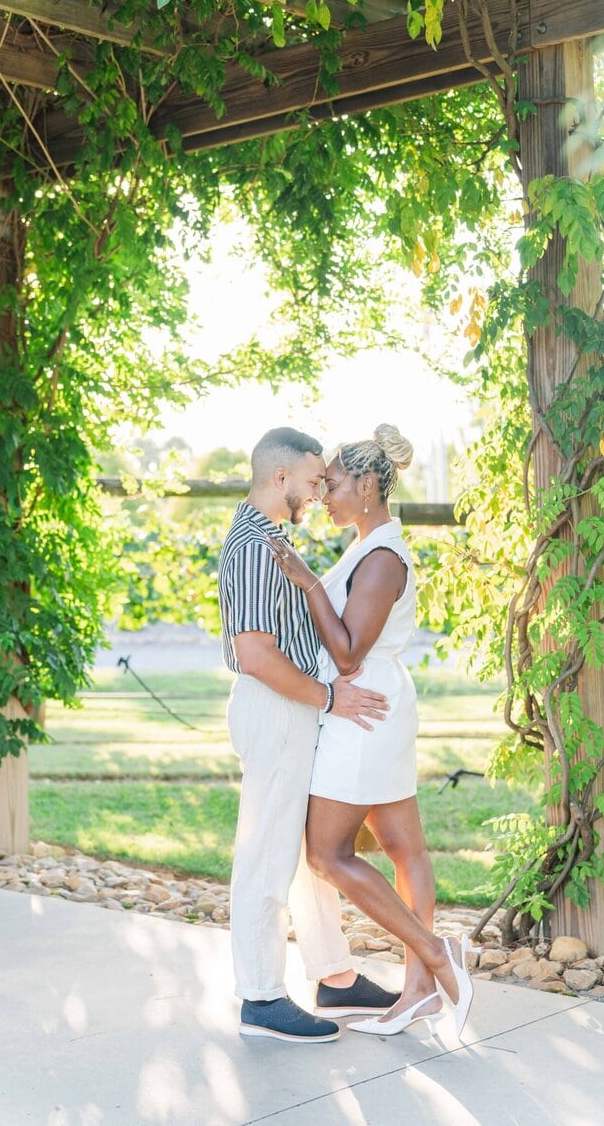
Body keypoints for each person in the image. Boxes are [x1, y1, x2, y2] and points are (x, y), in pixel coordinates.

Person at [268, 424, 478, 1039]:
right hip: (376, 711)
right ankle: (417, 991)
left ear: (365, 485)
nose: (322, 496)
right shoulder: (367, 547)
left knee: (327, 854)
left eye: (331, 485)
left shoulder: (383, 557)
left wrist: (307, 582)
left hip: (361, 713)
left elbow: (351, 652)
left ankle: (437, 957)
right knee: (402, 848)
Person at [219, 426, 398, 1044]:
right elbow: (254, 656)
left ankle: (334, 977)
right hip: (274, 711)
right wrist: (329, 696)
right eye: (314, 478)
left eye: (328, 480)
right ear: (280, 478)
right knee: (267, 855)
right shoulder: (251, 546)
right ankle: (262, 997)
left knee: (295, 854)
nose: (321, 489)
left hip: (295, 713)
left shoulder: (276, 541)